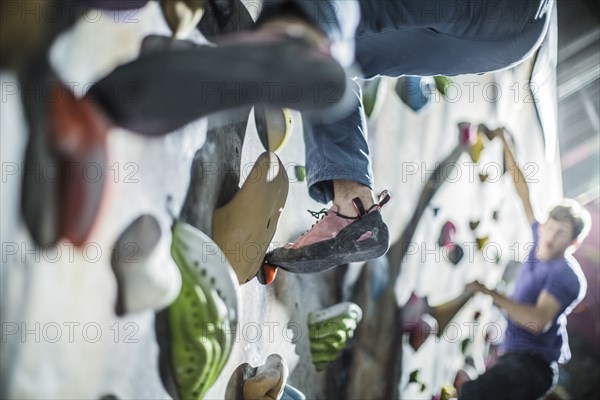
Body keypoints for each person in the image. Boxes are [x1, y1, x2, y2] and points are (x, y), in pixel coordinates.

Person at [459, 126, 590, 400]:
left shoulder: (566, 277)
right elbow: (523, 190)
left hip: (533, 367)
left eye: (561, 234)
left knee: (471, 395)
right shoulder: (539, 236)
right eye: (550, 227)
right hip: (515, 359)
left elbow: (536, 322)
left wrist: (490, 292)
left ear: (573, 243)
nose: (551, 237)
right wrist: (505, 140)